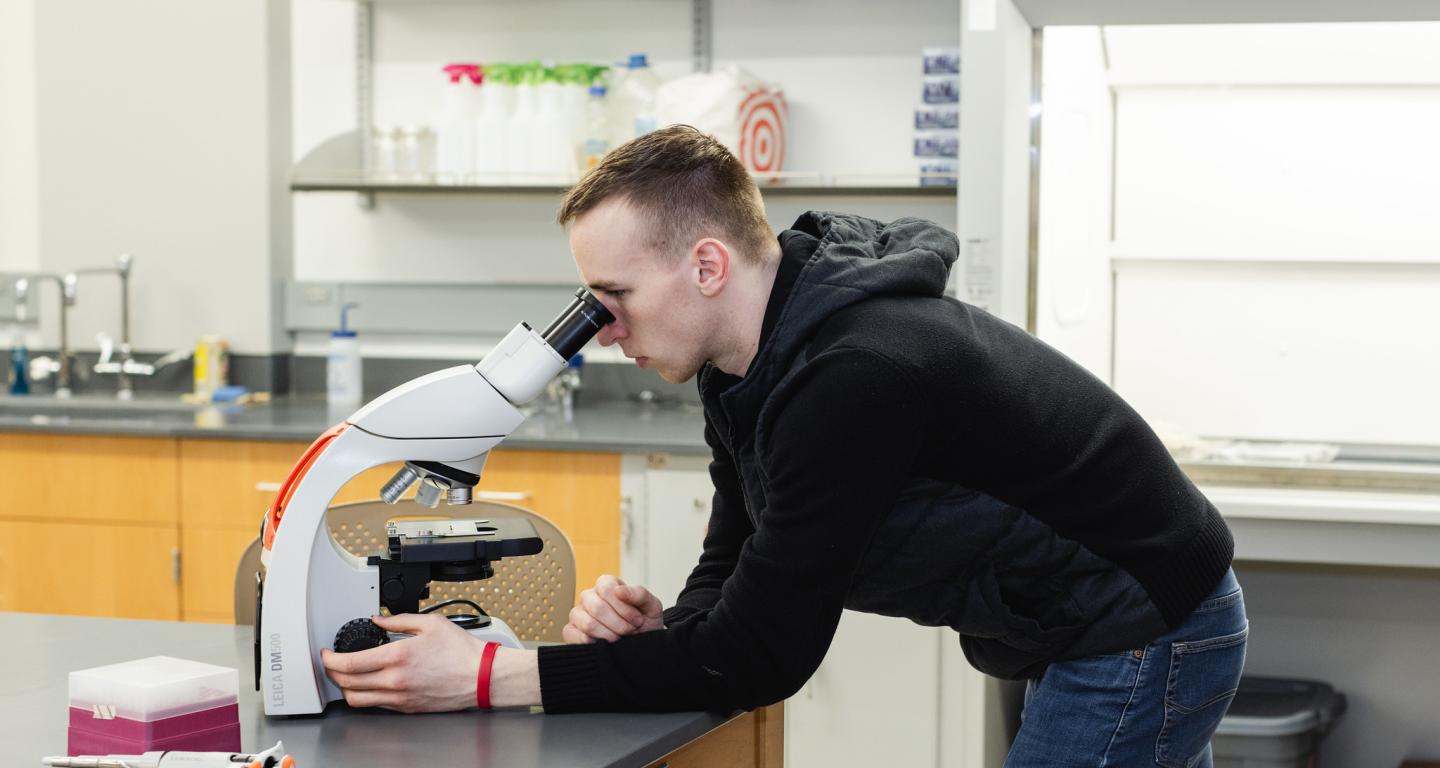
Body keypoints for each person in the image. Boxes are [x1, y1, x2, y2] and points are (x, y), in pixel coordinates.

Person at [323, 124, 1248, 767]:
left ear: (708, 265)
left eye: (616, 299)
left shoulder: (854, 378)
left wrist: (485, 674)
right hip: (1071, 620)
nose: (601, 331)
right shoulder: (749, 364)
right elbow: (736, 570)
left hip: (1142, 618)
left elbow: (763, 654)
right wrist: (671, 635)